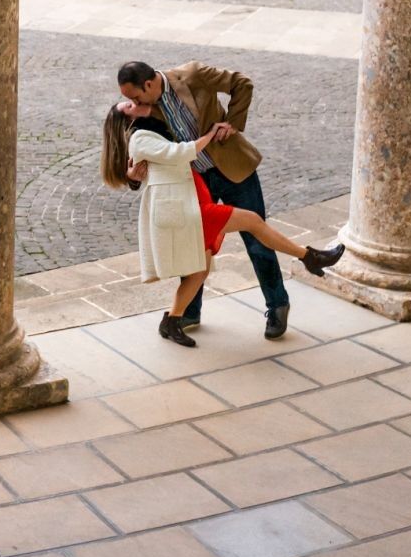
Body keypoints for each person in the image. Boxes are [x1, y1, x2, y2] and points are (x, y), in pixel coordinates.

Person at [102, 101, 344, 347]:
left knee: (200, 271)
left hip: (194, 194)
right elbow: (178, 153)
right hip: (191, 206)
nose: (137, 102)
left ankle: (172, 321)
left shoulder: (153, 118)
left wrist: (132, 175)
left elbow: (151, 164)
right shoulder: (140, 136)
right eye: (130, 104)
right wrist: (209, 134)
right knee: (252, 222)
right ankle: (308, 256)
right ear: (126, 120)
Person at [118, 58, 305, 339]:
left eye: (134, 95)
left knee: (256, 240)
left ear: (148, 84)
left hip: (233, 170)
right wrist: (132, 175)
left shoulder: (192, 75)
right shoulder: (146, 109)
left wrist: (233, 123)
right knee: (192, 247)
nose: (134, 102)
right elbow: (137, 150)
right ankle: (189, 312)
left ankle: (277, 304)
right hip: (194, 180)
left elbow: (241, 83)